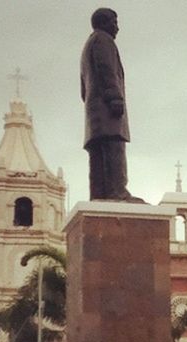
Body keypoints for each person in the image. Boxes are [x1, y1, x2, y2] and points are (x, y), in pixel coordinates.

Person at [80, 8, 144, 202]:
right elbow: (107, 70)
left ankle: (99, 195)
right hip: (107, 109)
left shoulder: (88, 45)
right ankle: (118, 192)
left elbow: (83, 87)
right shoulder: (103, 41)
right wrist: (114, 97)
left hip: (95, 112)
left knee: (98, 156)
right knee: (114, 147)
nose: (117, 27)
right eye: (114, 22)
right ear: (104, 22)